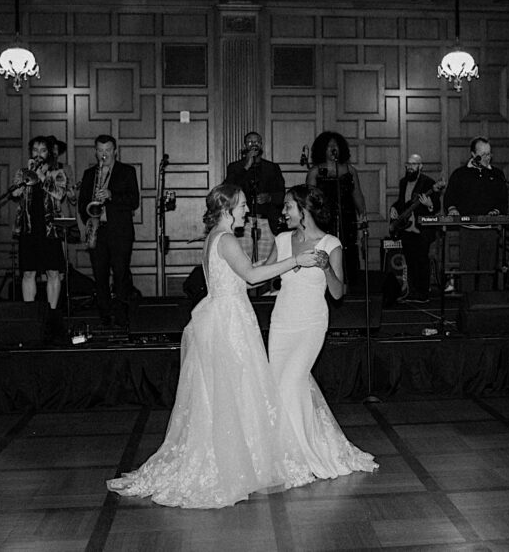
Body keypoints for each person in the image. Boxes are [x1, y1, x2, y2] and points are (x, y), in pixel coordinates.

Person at [107, 183, 324, 508]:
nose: (246, 211)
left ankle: (233, 460)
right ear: (227, 209)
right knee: (234, 391)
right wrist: (297, 261)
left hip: (223, 315)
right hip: (229, 322)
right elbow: (251, 276)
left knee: (226, 395)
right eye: (242, 206)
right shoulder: (225, 239)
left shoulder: (215, 238)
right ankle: (230, 466)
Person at [265, 185, 378, 478]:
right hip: (282, 322)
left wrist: (327, 268)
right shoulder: (281, 239)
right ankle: (283, 451)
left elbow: (338, 293)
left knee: (292, 382)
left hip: (311, 323)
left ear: (304, 209)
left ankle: (303, 455)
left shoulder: (331, 244)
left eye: (288, 206)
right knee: (280, 386)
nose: (283, 212)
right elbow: (263, 277)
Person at [10, 136, 74, 342]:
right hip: (29, 230)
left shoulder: (58, 173)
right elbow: (15, 193)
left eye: (42, 150)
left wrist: (42, 176)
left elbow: (59, 195)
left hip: (50, 230)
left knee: (53, 272)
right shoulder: (22, 172)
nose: (38, 154)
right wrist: (27, 177)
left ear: (49, 154)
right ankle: (30, 316)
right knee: (28, 272)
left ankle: (53, 315)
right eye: (35, 150)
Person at [77, 135, 139, 331]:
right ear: (95, 151)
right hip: (98, 230)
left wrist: (112, 196)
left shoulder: (127, 171)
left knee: (120, 274)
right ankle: (104, 316)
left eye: (107, 150)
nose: (104, 154)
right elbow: (82, 204)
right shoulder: (89, 174)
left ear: (115, 151)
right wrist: (90, 221)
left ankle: (122, 316)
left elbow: (134, 201)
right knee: (100, 275)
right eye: (100, 150)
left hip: (120, 232)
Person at [444, 137, 508, 292]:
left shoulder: (497, 174)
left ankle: (485, 307)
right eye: (483, 154)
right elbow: (449, 198)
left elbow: (503, 201)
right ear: (473, 154)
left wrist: (496, 211)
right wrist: (453, 210)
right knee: (468, 271)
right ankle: (468, 305)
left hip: (489, 230)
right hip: (468, 230)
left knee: (487, 271)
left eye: (489, 154)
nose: (487, 157)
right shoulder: (460, 174)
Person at [306, 131, 367, 285]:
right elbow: (309, 199)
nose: (333, 148)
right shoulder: (315, 171)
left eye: (336, 146)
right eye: (329, 146)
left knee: (348, 251)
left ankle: (348, 285)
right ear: (322, 150)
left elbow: (357, 194)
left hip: (347, 217)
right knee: (326, 249)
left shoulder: (350, 170)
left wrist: (363, 215)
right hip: (324, 219)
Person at [224, 131, 285, 264]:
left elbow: (281, 194)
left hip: (266, 222)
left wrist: (269, 198)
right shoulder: (235, 168)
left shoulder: (272, 168)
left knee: (265, 264)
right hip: (243, 222)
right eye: (250, 142)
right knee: (243, 263)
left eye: (256, 142)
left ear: (261, 145)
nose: (253, 145)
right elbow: (228, 190)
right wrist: (246, 166)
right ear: (244, 145)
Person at [388, 154, 442, 303]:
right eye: (408, 164)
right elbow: (401, 203)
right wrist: (393, 209)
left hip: (422, 229)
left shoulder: (428, 183)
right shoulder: (403, 182)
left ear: (420, 166)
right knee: (411, 262)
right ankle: (413, 292)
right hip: (406, 229)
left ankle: (423, 293)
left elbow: (436, 206)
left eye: (414, 164)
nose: (410, 167)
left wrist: (428, 205)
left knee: (422, 261)